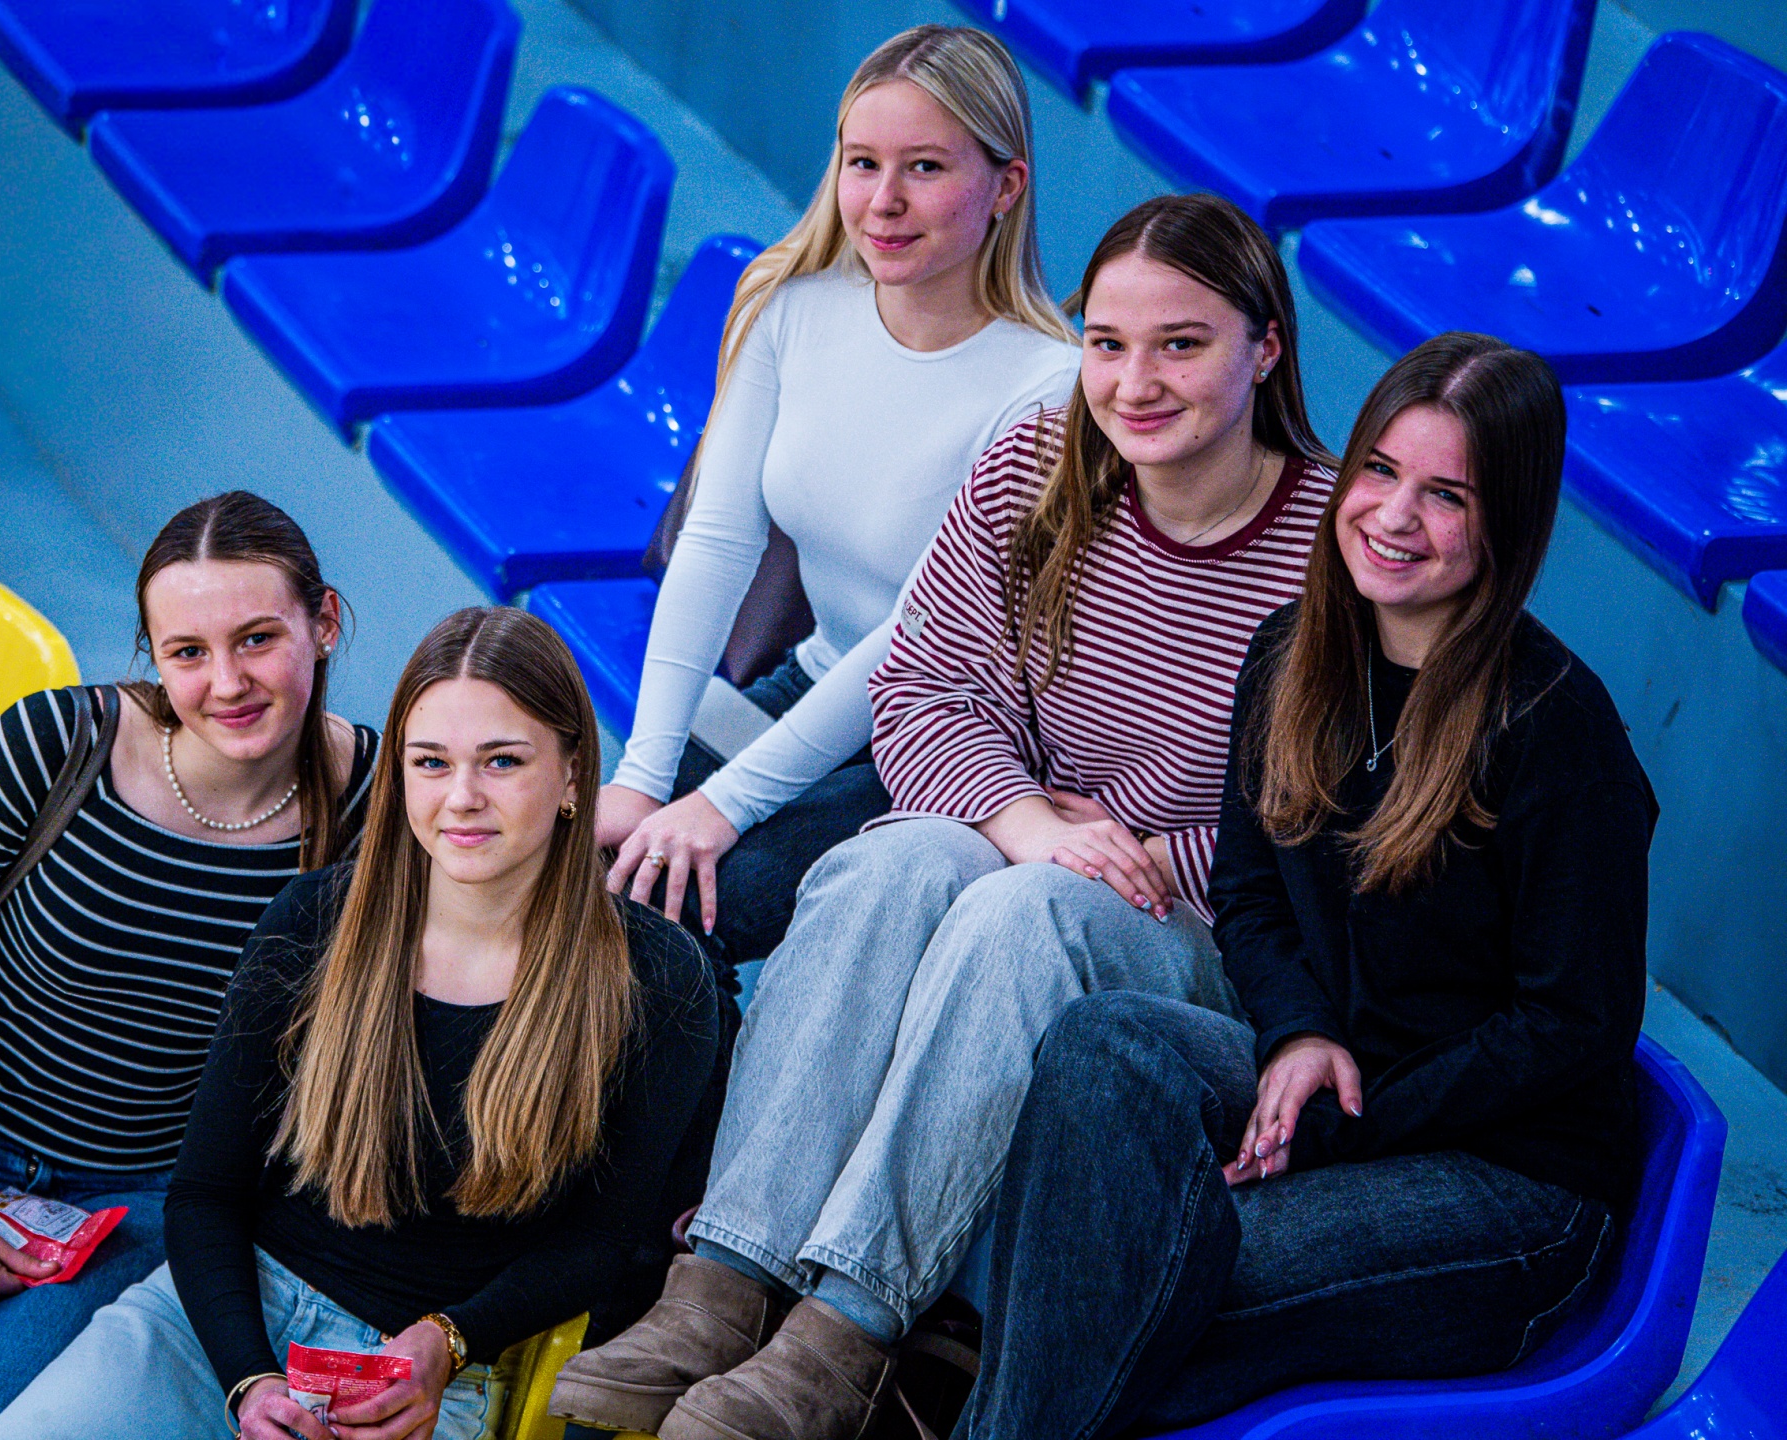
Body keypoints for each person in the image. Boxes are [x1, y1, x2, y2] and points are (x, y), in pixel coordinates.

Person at [555, 192, 1336, 1440]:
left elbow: (1325, 821)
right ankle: (722, 1284)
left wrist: (1123, 854)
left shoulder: (1327, 551)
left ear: (1266, 349)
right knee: (895, 865)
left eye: (1182, 344)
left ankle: (845, 1335)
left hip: (1203, 934)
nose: (1134, 383)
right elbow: (921, 686)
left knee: (1029, 911)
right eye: (1107, 342)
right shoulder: (1038, 466)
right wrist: (1024, 816)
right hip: (1030, 847)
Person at [960, 333, 1651, 1438]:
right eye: (1379, 470)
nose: (1394, 515)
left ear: (1509, 523)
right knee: (1106, 1044)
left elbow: (1572, 1026)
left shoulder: (1555, 731)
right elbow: (1250, 893)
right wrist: (1296, 1034)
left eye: (1447, 495)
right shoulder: (1292, 654)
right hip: (1345, 1080)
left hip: (1510, 1178)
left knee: (1146, 1280)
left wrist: (1340, 1127)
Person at [0, 607, 721, 1440]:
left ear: (574, 774)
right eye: (430, 762)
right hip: (223, 1323)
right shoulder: (313, 921)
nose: (462, 799)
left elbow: (598, 1244)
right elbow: (205, 1193)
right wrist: (249, 1380)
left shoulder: (658, 980)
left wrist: (448, 1341)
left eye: (502, 761)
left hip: (429, 1370)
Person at [0, 491, 378, 1440]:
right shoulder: (55, 745)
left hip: (141, 1195)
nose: (227, 682)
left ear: (325, 622)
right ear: (154, 657)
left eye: (259, 639)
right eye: (188, 653)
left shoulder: (376, 811)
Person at [598, 23, 1080, 979]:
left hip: (939, 736)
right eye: (863, 163)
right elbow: (717, 543)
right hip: (810, 682)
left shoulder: (1048, 388)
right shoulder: (791, 304)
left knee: (695, 895)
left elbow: (918, 633)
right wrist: (644, 777)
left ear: (1006, 187)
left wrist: (724, 803)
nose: (884, 201)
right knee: (582, 859)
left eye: (925, 167)